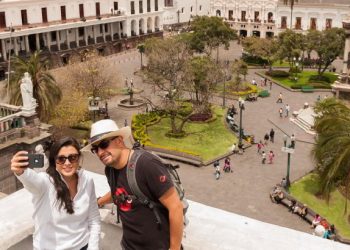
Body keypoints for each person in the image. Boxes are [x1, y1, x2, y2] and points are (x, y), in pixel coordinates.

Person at [83, 119, 183, 250]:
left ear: (119, 140)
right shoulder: (110, 170)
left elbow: (175, 207)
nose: (100, 152)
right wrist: (99, 202)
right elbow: (119, 193)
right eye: (95, 149)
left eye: (104, 144)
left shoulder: (146, 164)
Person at [10, 137, 101, 249]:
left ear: (79, 158)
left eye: (72, 157)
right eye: (61, 159)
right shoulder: (45, 182)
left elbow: (94, 219)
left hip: (82, 245)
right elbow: (32, 181)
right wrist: (21, 172)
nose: (67, 163)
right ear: (54, 161)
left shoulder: (87, 180)